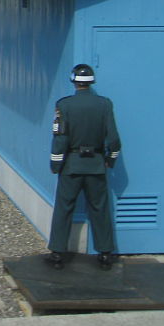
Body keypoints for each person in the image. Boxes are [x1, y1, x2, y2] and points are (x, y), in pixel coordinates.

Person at [47, 64, 121, 270]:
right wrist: (110, 159)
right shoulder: (105, 105)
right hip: (96, 165)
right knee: (100, 208)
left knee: (64, 208)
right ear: (92, 82)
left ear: (73, 81)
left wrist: (55, 164)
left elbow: (60, 139)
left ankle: (57, 253)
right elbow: (114, 139)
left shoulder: (64, 106)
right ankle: (106, 253)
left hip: (71, 165)